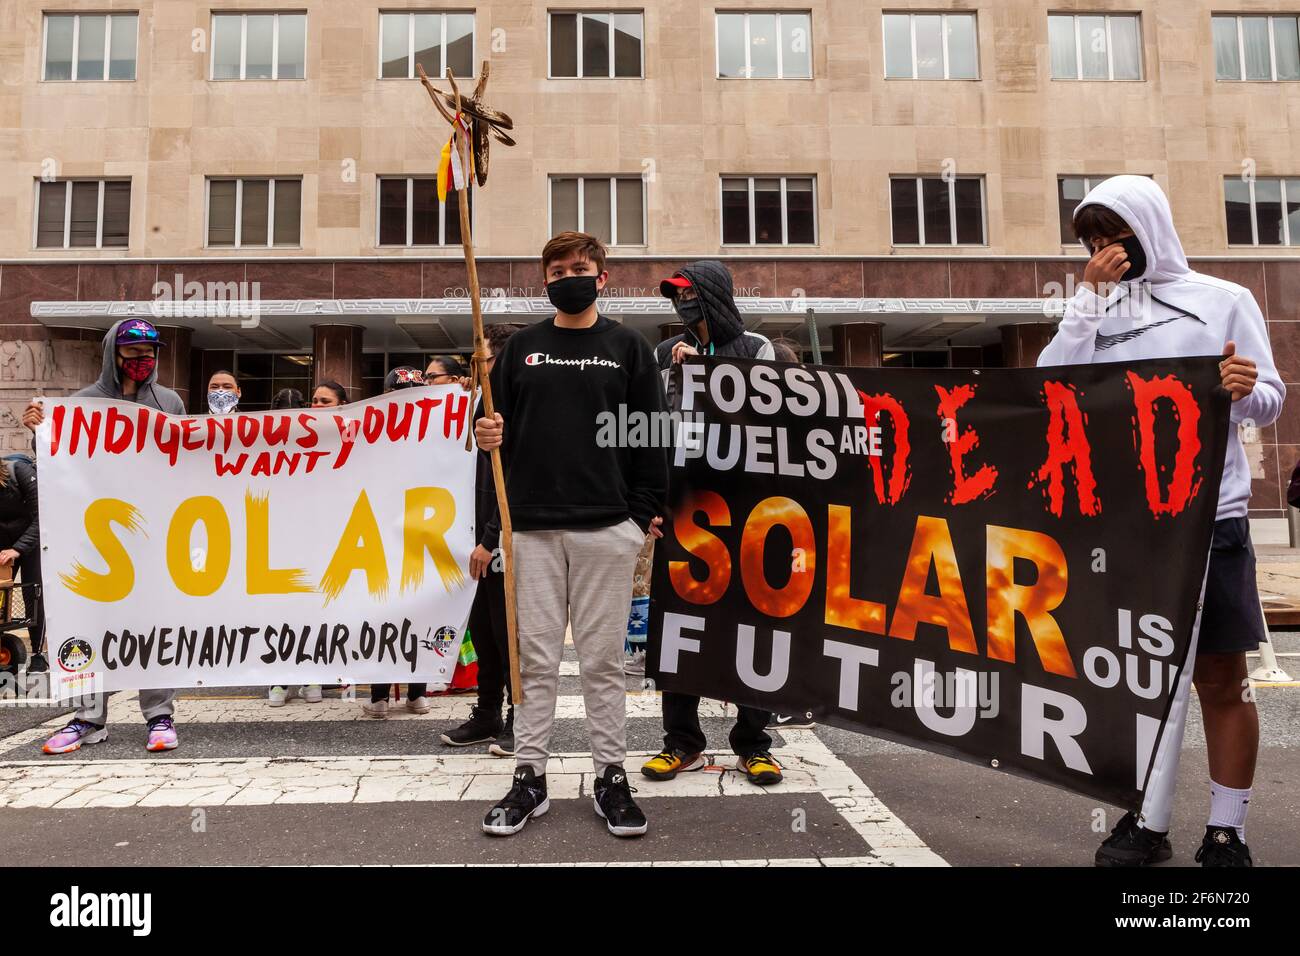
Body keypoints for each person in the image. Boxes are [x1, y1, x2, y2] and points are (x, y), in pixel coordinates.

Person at [1039, 175, 1284, 868]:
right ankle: (1144, 819)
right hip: (1130, 526)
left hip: (1210, 518)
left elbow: (1268, 397)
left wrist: (1246, 390)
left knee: (1220, 677)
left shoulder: (1224, 300)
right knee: (1140, 681)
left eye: (1110, 235)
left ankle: (1226, 828)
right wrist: (1086, 301)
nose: (1101, 250)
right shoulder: (1100, 307)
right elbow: (1051, 387)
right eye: (1088, 241)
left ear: (1146, 229)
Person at [474, 232, 667, 837]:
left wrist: (636, 520)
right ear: (545, 279)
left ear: (601, 278)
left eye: (580, 267)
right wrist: (484, 447)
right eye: (557, 269)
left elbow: (650, 438)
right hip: (529, 530)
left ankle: (611, 776)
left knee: (602, 663)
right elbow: (491, 447)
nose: (568, 276)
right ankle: (530, 778)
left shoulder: (629, 348)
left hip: (606, 530)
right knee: (532, 662)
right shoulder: (522, 349)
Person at [641, 263, 784, 787]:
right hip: (686, 509)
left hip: (748, 510)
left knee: (752, 624)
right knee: (681, 623)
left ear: (714, 296)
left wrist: (711, 370)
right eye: (674, 297)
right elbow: (652, 427)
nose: (682, 305)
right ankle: (681, 742)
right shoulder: (661, 356)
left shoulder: (759, 349)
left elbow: (773, 424)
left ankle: (755, 743)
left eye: (690, 295)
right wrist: (651, 501)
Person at [22, 319, 183, 754]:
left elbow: (187, 463)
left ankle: (159, 714)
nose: (142, 360)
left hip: (155, 537)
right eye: (132, 351)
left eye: (149, 352)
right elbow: (60, 464)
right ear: (113, 352)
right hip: (97, 539)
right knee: (92, 625)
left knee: (156, 624)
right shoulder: (82, 404)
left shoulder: (169, 402)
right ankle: (89, 718)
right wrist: (40, 432)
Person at [442, 323, 520, 755]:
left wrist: (491, 539)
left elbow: (509, 480)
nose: (475, 365)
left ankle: (518, 717)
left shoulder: (509, 406)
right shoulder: (470, 403)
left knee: (510, 635)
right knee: (485, 633)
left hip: (500, 541)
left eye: (483, 358)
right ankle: (487, 712)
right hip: (469, 538)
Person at [360, 366, 431, 717]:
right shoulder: (371, 429)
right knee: (385, 613)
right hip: (381, 534)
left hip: (416, 534)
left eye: (415, 391)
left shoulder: (436, 431)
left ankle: (412, 690)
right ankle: (382, 694)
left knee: (414, 612)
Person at [266, 383, 321, 707]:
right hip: (301, 537)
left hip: (277, 538)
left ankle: (281, 682)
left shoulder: (263, 443)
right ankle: (307, 679)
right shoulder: (315, 442)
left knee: (281, 611)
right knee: (303, 609)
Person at [0, 454, 43, 673]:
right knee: (1, 594)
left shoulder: (21, 473)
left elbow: (43, 515)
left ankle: (38, 654)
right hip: (4, 541)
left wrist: (17, 549)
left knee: (33, 593)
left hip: (33, 539)